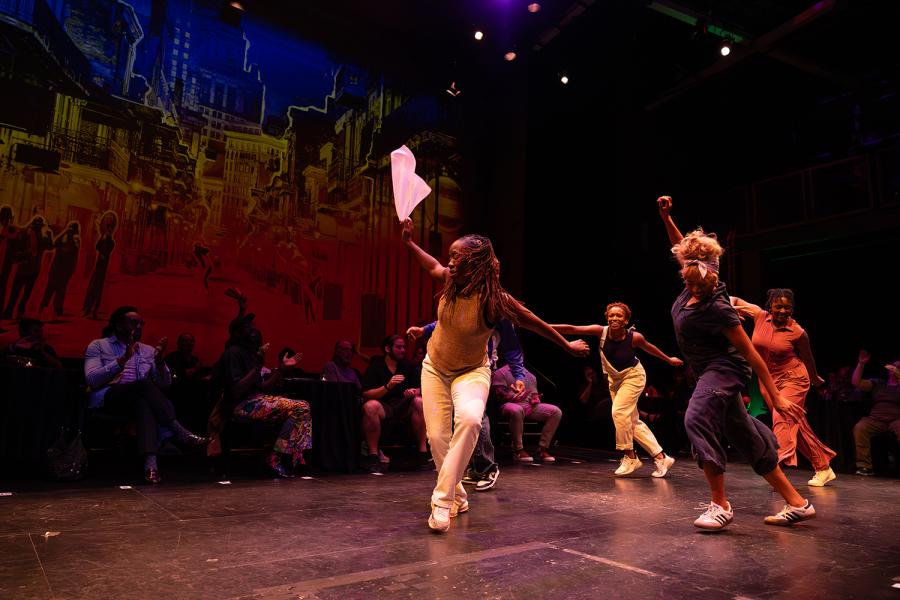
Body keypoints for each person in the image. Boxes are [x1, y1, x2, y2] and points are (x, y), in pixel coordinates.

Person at [401, 218, 589, 533]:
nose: (450, 261)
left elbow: (533, 321)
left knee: (472, 421)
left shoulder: (494, 299)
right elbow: (432, 266)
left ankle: (442, 501)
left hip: (472, 371)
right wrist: (409, 242)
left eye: (457, 257)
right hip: (435, 368)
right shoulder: (449, 280)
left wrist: (567, 345)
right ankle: (458, 495)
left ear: (475, 263)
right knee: (436, 437)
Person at [657, 196, 815, 530]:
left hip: (724, 370)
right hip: (706, 371)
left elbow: (752, 355)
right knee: (743, 435)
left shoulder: (719, 307)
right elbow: (679, 246)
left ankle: (720, 505)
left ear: (702, 273)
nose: (682, 274)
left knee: (696, 418)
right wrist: (665, 217)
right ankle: (798, 503)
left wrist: (775, 396)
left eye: (687, 269)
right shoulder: (690, 286)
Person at [553, 302, 682, 477]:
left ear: (626, 320)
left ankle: (630, 456)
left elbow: (650, 348)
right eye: (611, 315)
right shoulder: (601, 331)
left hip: (633, 376)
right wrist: (543, 326)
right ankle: (661, 457)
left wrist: (668, 359)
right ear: (607, 318)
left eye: (619, 316)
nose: (614, 318)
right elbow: (573, 328)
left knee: (619, 412)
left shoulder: (634, 337)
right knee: (630, 421)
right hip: (614, 380)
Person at [84, 306, 208, 483]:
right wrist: (121, 360)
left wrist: (158, 363)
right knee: (142, 386)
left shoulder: (148, 350)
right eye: (134, 323)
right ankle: (177, 430)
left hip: (136, 399)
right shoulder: (99, 345)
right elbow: (92, 379)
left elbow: (165, 384)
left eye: (142, 323)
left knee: (143, 401)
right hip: (109, 397)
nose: (140, 326)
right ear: (119, 326)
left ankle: (151, 466)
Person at [730, 289, 836, 486]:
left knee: (783, 419)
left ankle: (776, 465)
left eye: (788, 307)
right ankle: (823, 467)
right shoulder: (760, 315)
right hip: (768, 381)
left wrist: (814, 378)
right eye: (779, 306)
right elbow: (733, 299)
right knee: (798, 425)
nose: (783, 311)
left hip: (793, 379)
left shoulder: (797, 331)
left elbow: (808, 357)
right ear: (770, 306)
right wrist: (729, 307)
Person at [407, 317, 527, 492]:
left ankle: (486, 467)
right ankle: (474, 467)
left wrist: (518, 375)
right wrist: (423, 330)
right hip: (452, 365)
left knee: (476, 415)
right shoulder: (461, 301)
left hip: (478, 367)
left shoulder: (494, 308)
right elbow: (444, 321)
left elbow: (512, 345)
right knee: (460, 417)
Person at [216, 312, 313, 478]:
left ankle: (289, 455)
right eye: (248, 327)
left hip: (257, 400)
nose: (253, 329)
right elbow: (237, 390)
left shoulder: (251, 354)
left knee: (301, 408)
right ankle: (281, 457)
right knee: (300, 407)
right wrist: (257, 366)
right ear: (238, 333)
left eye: (253, 326)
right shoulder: (233, 353)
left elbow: (263, 387)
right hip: (240, 405)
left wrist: (281, 369)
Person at [360, 334, 427, 472]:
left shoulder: (407, 366)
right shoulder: (376, 366)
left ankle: (422, 452)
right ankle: (373, 455)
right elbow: (366, 393)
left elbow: (421, 387)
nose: (402, 350)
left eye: (404, 347)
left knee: (419, 402)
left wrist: (414, 392)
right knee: (370, 406)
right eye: (398, 347)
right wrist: (387, 386)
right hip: (384, 406)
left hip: (404, 405)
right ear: (387, 349)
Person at [492, 364, 563, 462]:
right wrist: (512, 397)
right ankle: (518, 450)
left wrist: (535, 399)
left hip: (527, 407)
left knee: (555, 411)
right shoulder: (501, 372)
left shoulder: (530, 375)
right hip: (508, 405)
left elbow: (534, 395)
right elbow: (498, 395)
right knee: (516, 410)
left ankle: (542, 449)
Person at [850, 350, 900, 476]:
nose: (895, 369)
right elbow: (856, 382)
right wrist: (861, 364)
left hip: (897, 419)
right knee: (860, 428)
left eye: (898, 367)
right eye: (894, 367)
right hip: (876, 419)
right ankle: (864, 466)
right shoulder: (879, 383)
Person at [39, 221, 81, 318]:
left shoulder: (76, 238)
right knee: (50, 288)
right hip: (56, 267)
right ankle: (43, 306)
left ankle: (57, 310)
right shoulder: (64, 236)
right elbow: (55, 243)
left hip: (65, 269)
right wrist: (64, 232)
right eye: (69, 227)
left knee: (60, 290)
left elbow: (72, 248)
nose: (69, 229)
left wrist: (69, 234)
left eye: (71, 228)